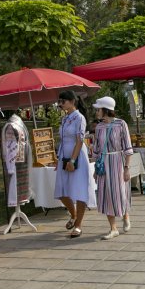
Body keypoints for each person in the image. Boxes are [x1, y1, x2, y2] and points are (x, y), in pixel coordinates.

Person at [55, 90, 95, 238]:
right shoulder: (65, 119)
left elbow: (79, 140)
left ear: (72, 101)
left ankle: (78, 225)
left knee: (79, 190)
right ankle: (74, 214)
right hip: (63, 156)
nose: (60, 104)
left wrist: (72, 160)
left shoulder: (79, 118)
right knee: (62, 191)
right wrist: (59, 158)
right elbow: (63, 139)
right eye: (59, 102)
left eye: (63, 101)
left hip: (77, 156)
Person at [92, 97, 133, 240]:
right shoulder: (98, 127)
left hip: (118, 162)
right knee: (106, 194)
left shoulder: (121, 124)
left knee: (120, 192)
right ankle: (113, 228)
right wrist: (95, 169)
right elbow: (96, 149)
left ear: (106, 110)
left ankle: (125, 214)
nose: (96, 112)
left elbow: (128, 148)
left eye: (98, 109)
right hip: (104, 163)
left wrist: (127, 168)